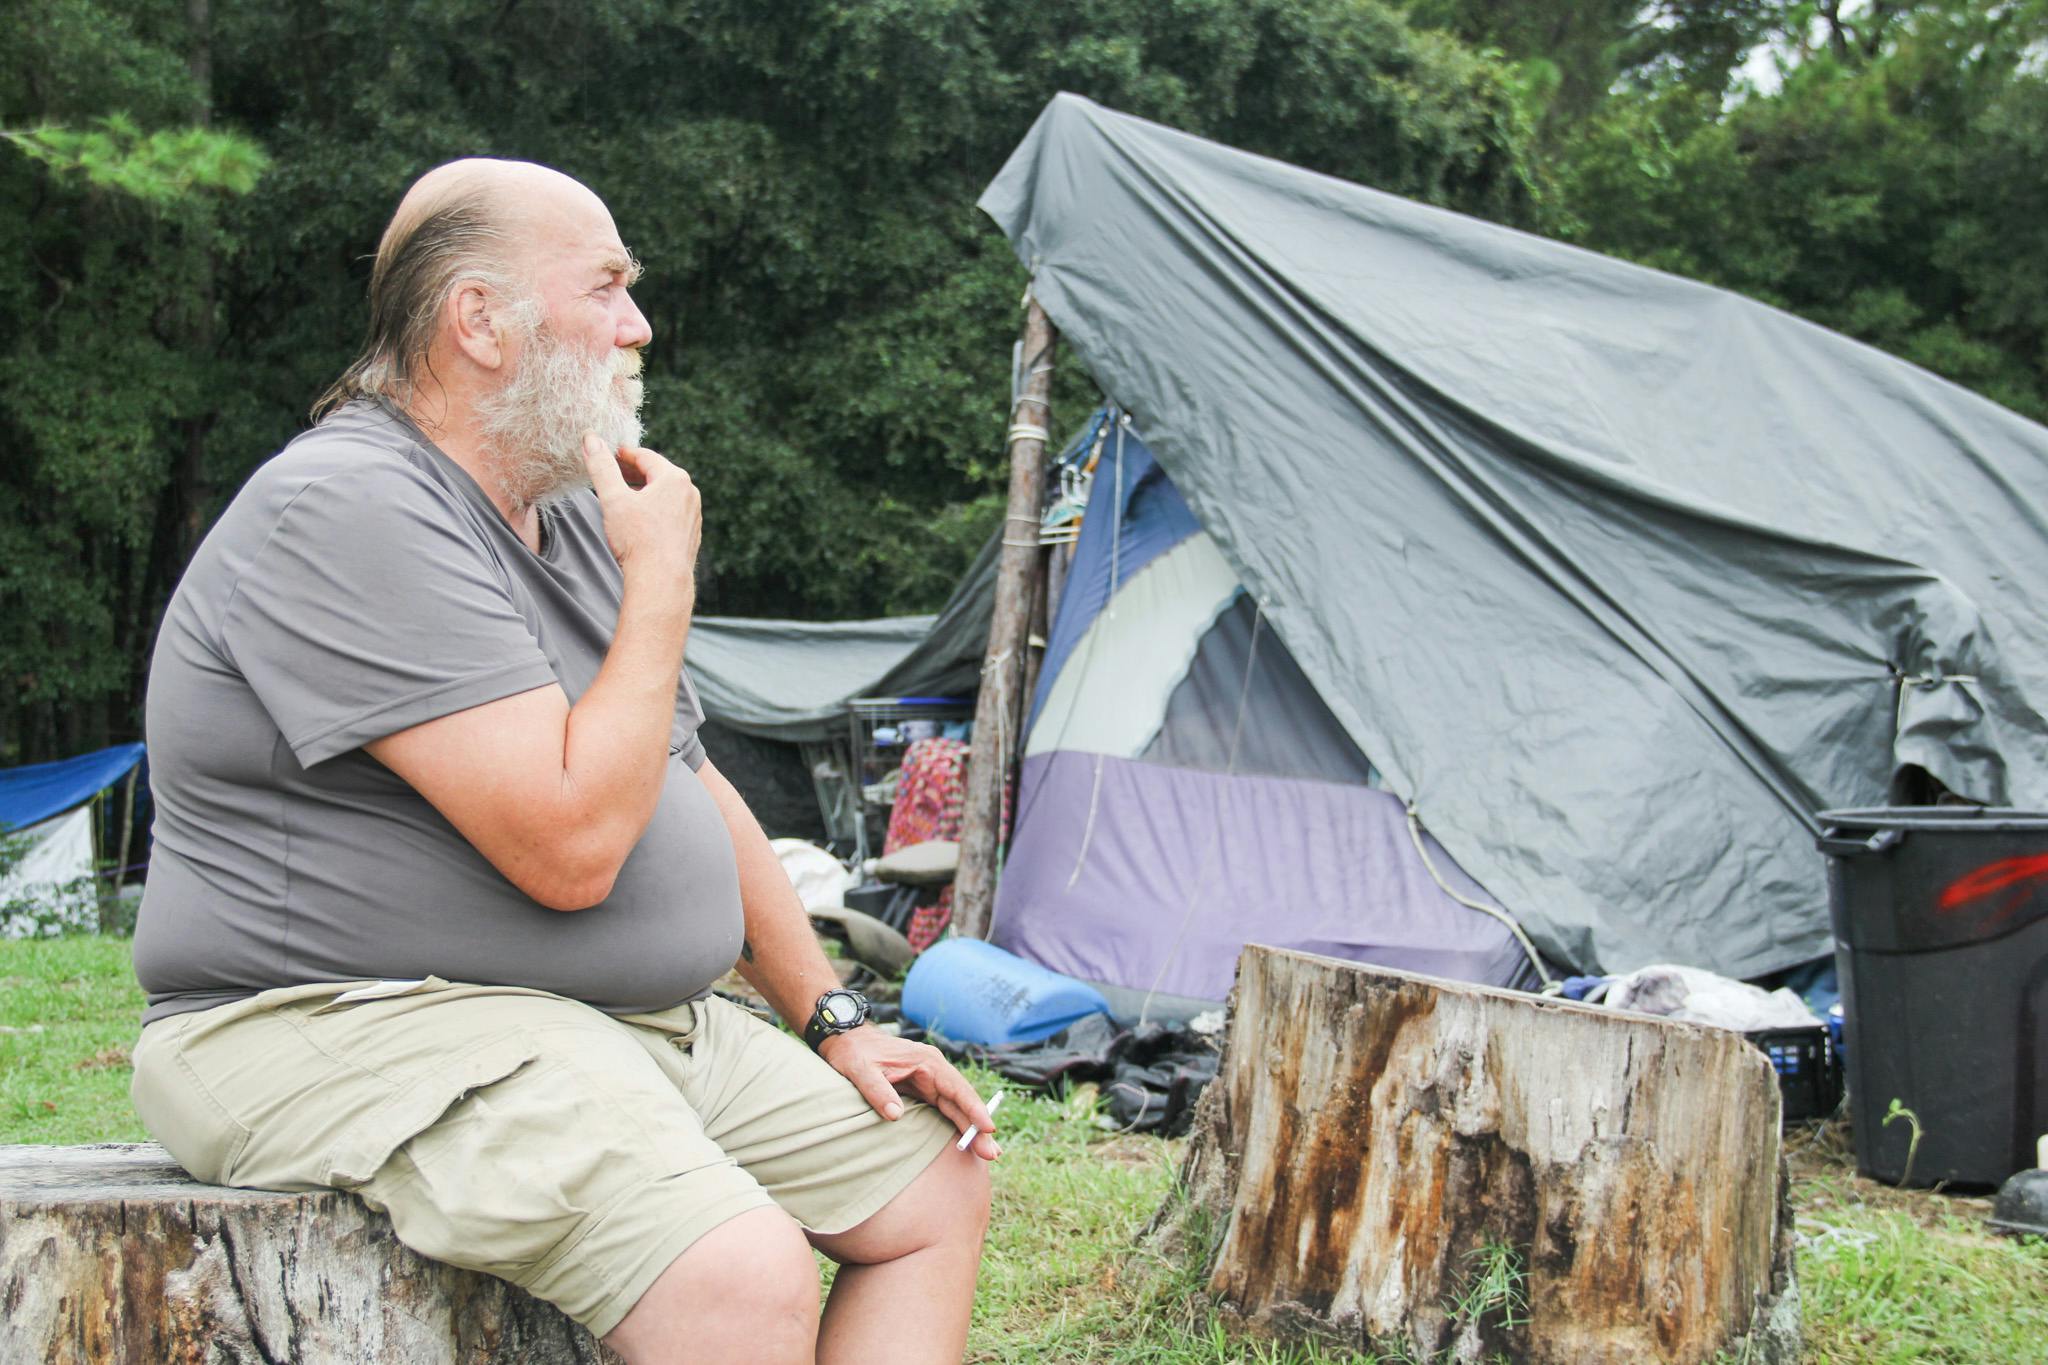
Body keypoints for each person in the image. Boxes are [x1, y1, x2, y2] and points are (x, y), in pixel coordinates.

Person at [128, 158, 996, 1365]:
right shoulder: (346, 508)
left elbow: (688, 787)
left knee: (929, 1181)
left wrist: (834, 1015)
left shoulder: (573, 512)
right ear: (478, 320)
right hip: (332, 1023)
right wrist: (664, 582)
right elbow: (569, 849)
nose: (638, 326)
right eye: (606, 288)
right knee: (731, 1275)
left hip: (599, 1019)